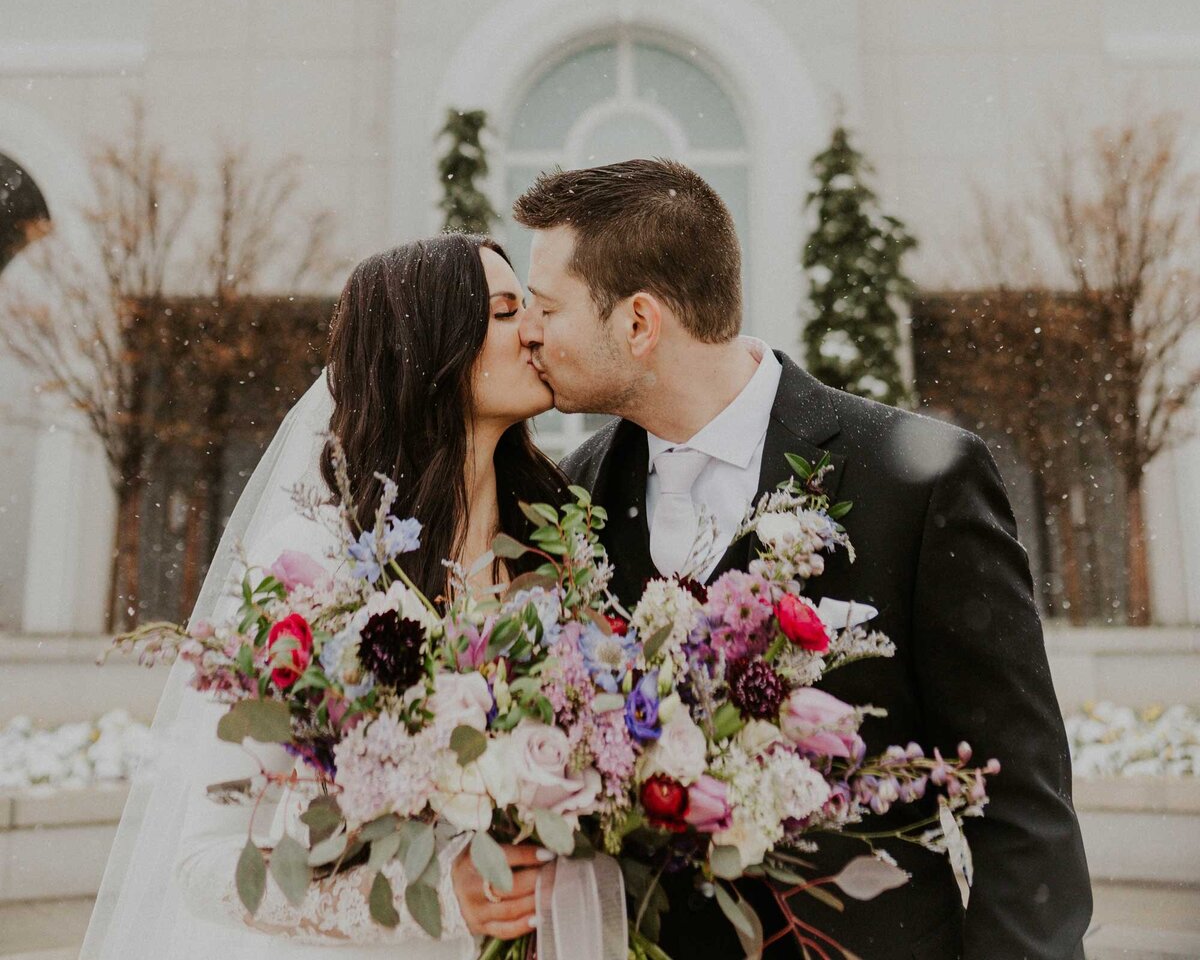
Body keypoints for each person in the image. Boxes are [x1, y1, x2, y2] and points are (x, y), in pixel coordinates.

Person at [514, 157, 1093, 960]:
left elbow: (1021, 799)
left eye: (547, 307)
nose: (530, 332)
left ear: (639, 322)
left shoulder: (912, 480)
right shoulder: (572, 500)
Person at [82, 234, 563, 959]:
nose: (535, 329)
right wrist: (430, 902)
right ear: (430, 353)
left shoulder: (553, 554)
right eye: (503, 311)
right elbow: (203, 864)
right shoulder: (310, 568)